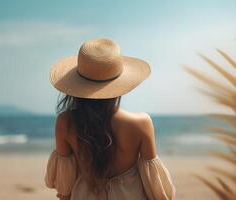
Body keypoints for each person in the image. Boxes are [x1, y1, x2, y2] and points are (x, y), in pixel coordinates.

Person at [45, 38, 175, 200]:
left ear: (77, 85)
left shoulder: (65, 122)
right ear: (119, 83)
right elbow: (154, 187)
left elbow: (65, 189)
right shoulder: (141, 123)